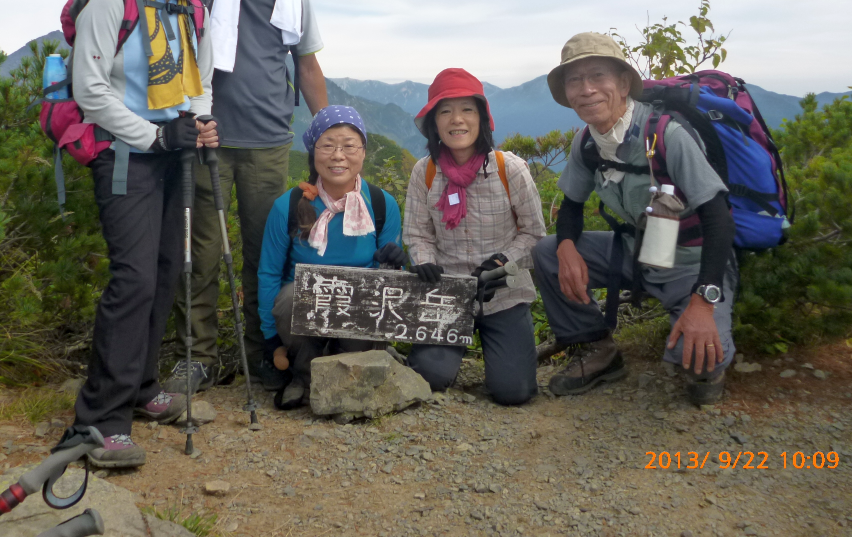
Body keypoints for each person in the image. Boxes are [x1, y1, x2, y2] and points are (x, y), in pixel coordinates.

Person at [69, 0, 220, 468]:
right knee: (132, 279)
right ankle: (100, 419)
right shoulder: (111, 0)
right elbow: (90, 88)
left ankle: (140, 386)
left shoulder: (192, 10)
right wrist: (154, 137)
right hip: (125, 155)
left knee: (163, 272)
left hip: (172, 152)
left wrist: (200, 123)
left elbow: (199, 79)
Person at [167, 0, 329, 395]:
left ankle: (264, 353)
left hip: (268, 140)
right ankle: (198, 356)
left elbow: (307, 66)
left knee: (267, 252)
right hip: (203, 135)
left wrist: (326, 138)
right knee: (202, 252)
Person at [532, 32, 737, 406]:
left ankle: (703, 338)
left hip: (689, 263)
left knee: (704, 365)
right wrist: (565, 247)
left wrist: (704, 300)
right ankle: (598, 350)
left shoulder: (667, 135)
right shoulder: (588, 142)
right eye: (574, 80)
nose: (586, 89)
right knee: (547, 252)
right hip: (635, 251)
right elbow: (572, 206)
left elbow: (718, 217)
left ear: (624, 83)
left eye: (598, 76)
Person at [403, 69, 546, 405]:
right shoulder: (425, 172)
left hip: (504, 293)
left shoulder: (508, 169)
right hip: (448, 293)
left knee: (515, 392)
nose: (457, 120)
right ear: (433, 123)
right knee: (429, 376)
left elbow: (534, 233)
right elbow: (417, 233)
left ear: (483, 118)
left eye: (467, 109)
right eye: (445, 111)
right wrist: (424, 261)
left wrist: (502, 262)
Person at [257, 106, 405, 408]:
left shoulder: (380, 204)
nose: (338, 155)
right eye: (327, 145)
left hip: (357, 307)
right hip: (301, 313)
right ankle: (304, 374)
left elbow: (388, 277)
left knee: (367, 306)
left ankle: (337, 372)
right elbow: (269, 273)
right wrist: (272, 339)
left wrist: (395, 263)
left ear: (363, 153)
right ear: (313, 152)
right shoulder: (288, 205)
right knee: (288, 299)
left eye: (349, 146)